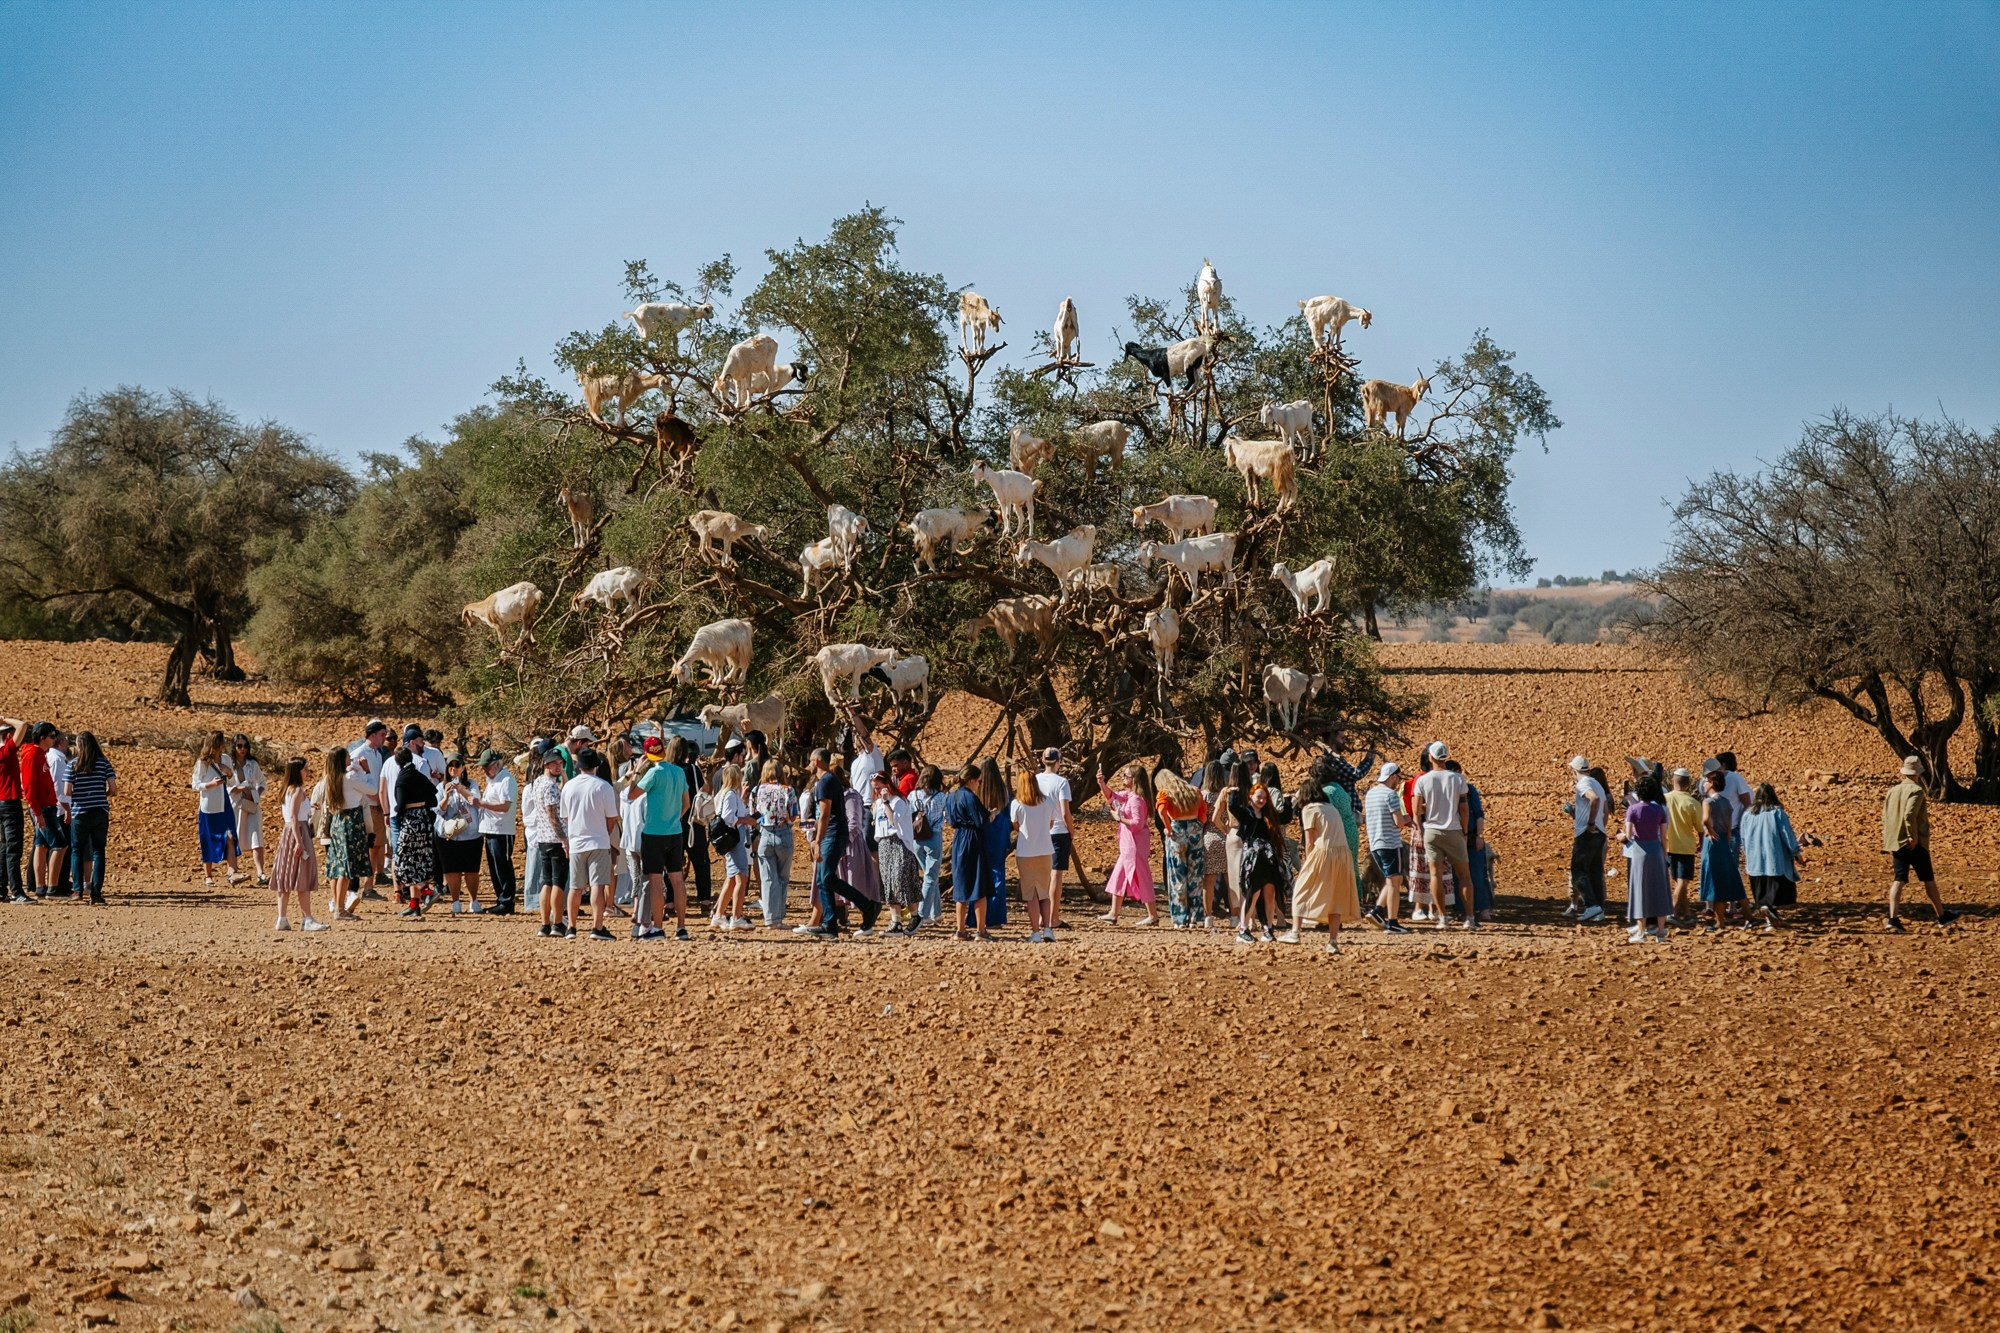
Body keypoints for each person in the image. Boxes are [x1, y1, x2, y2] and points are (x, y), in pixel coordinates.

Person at [1882, 755, 1957, 933]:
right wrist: (1913, 837)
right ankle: (1942, 916)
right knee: (1928, 879)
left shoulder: (1892, 791)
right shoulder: (1916, 790)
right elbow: (1910, 815)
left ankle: (1893, 919)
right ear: (1918, 772)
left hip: (1895, 841)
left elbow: (1886, 816)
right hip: (1914, 843)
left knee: (1898, 879)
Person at [1286, 789, 1361, 952]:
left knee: (1300, 889)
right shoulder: (1330, 807)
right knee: (1336, 898)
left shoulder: (1309, 809)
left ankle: (1295, 932)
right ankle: (1333, 941)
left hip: (1323, 852)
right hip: (1342, 853)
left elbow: (1309, 841)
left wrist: (1307, 863)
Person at [1411, 742, 1476, 931]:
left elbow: (1416, 809)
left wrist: (1422, 828)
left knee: (1435, 875)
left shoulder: (1422, 781)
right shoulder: (1458, 779)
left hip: (1432, 831)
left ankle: (1442, 918)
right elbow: (1463, 808)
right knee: (1464, 876)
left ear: (1430, 757)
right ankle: (1470, 918)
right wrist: (1464, 830)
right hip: (1454, 829)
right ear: (1445, 757)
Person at [633, 736, 692, 941]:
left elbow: (632, 795)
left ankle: (657, 927)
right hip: (675, 832)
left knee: (656, 881)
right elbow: (686, 803)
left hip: (654, 833)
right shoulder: (678, 771)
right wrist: (675, 818)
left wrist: (637, 770)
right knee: (677, 879)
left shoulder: (653, 773)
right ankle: (682, 927)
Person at [560, 749, 621, 940]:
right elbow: (611, 818)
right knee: (597, 885)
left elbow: (566, 817)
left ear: (579, 767)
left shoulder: (568, 787)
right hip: (598, 840)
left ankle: (571, 926)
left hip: (577, 841)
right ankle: (597, 926)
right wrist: (604, 831)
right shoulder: (603, 787)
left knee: (575, 887)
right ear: (596, 766)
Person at [266, 756, 326, 932]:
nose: (308, 772)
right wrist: (299, 842)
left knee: (285, 875)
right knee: (302, 875)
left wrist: (310, 807)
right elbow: (293, 815)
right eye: (305, 769)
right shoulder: (298, 791)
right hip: (297, 832)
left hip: (289, 833)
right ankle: (307, 918)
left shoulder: (288, 790)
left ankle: (282, 918)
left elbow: (293, 813)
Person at [1096, 762, 1159, 926]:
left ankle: (1152, 915)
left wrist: (1119, 818)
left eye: (1126, 776)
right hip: (1128, 845)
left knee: (1142, 877)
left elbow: (1137, 823)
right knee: (1119, 876)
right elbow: (1112, 796)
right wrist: (1102, 784)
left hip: (1134, 845)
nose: (1123, 778)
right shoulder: (1130, 796)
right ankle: (1113, 913)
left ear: (1135, 779)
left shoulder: (1136, 800)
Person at [1229, 778, 1288, 943]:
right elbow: (1233, 807)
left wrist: (1289, 801)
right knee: (1252, 893)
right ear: (1251, 797)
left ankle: (1268, 928)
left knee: (1270, 892)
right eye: (1258, 797)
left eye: (1264, 797)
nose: (1261, 800)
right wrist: (1233, 793)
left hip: (1268, 858)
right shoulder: (1246, 812)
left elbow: (1286, 817)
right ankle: (1243, 929)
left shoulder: (1269, 814)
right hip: (1253, 859)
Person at [1741, 782, 1804, 932]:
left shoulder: (1747, 814)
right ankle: (1770, 915)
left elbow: (1743, 838)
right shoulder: (1777, 813)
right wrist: (1796, 852)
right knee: (1776, 892)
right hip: (1774, 860)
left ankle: (1769, 919)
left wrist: (1747, 854)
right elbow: (1787, 835)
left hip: (1755, 861)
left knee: (1762, 891)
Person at [63, 732, 115, 905]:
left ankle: (78, 890)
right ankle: (96, 893)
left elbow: (66, 791)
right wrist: (102, 794)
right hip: (100, 811)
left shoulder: (73, 765)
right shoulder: (103, 763)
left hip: (80, 812)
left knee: (77, 850)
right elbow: (114, 788)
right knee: (99, 851)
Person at [1361, 761, 1412, 934]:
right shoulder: (1391, 795)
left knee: (1392, 881)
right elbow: (1398, 822)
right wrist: (1408, 819)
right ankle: (1392, 922)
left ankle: (1377, 911)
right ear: (1393, 776)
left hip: (1375, 843)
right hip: (1390, 843)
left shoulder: (1370, 794)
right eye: (1398, 777)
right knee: (1395, 883)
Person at [1009, 766, 1059, 941]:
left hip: (1026, 852)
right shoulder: (1047, 802)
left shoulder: (1017, 804)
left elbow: (1015, 825)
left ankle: (1035, 932)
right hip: (1045, 850)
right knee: (1044, 892)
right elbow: (1051, 824)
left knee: (1031, 895)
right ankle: (1048, 929)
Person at [870, 769, 923, 935]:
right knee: (889, 883)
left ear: (887, 785)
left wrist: (886, 803)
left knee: (901, 880)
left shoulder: (898, 801)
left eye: (879, 787)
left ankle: (915, 916)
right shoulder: (877, 803)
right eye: (874, 788)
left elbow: (893, 821)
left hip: (899, 843)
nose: (877, 791)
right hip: (884, 843)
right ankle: (896, 922)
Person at [1154, 766, 1208, 928]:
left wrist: (1168, 829)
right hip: (1194, 830)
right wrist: (1198, 825)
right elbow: (1204, 815)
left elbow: (1162, 809)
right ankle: (1194, 917)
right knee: (1195, 875)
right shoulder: (1193, 790)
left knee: (1177, 876)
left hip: (1177, 831)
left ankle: (1180, 918)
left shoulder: (1165, 793)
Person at [318, 745, 368, 921]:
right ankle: (340, 909)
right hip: (351, 823)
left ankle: (336, 904)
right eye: (348, 756)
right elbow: (372, 790)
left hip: (337, 823)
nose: (350, 758)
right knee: (346, 869)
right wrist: (365, 772)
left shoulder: (330, 779)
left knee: (336, 866)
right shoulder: (350, 777)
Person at [1621, 776, 1673, 943]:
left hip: (1639, 852)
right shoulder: (1660, 810)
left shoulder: (1633, 810)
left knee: (1640, 889)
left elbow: (1628, 835)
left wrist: (1619, 836)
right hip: (1656, 851)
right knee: (1660, 889)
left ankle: (1641, 932)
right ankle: (1661, 932)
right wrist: (1664, 855)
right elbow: (1664, 836)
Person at [942, 762, 990, 941]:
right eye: (979, 781)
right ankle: (981, 930)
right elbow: (980, 820)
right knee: (979, 884)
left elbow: (952, 821)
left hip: (959, 839)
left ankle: (960, 930)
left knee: (961, 884)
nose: (979, 784)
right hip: (973, 839)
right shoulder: (970, 797)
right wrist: (990, 815)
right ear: (971, 780)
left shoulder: (950, 797)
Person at [392, 743, 439, 918]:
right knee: (417, 861)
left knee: (402, 862)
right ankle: (414, 905)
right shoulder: (418, 775)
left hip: (410, 822)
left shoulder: (403, 778)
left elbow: (401, 802)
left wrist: (398, 814)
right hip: (423, 820)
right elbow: (433, 793)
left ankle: (427, 891)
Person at [526, 752, 570, 937]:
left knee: (547, 881)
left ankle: (545, 923)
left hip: (542, 837)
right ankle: (557, 923)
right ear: (546, 765)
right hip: (554, 839)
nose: (558, 766)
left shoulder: (538, 782)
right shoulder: (550, 786)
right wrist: (563, 839)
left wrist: (563, 776)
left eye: (560, 763)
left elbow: (562, 790)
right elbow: (553, 814)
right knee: (558, 882)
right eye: (554, 763)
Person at [1698, 767, 1746, 929]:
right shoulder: (1725, 801)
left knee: (1714, 880)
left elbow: (1705, 819)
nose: (1704, 784)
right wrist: (1727, 835)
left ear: (1712, 783)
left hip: (1712, 843)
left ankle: (1720, 921)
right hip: (1725, 840)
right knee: (1730, 877)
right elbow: (1730, 823)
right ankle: (1746, 915)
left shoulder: (1708, 801)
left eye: (1706, 781)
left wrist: (1709, 830)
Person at [436, 753, 485, 913]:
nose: (453, 768)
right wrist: (447, 795)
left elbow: (475, 801)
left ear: (463, 768)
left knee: (471, 869)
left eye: (457, 765)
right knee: (452, 869)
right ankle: (455, 901)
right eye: (450, 765)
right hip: (449, 835)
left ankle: (474, 901)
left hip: (471, 833)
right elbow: (439, 810)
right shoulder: (440, 787)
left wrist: (461, 789)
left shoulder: (471, 784)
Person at [191, 730, 240, 888]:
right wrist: (210, 785)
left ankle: (232, 873)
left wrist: (229, 773)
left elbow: (233, 784)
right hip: (209, 807)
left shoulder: (225, 759)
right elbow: (195, 785)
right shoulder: (202, 763)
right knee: (208, 839)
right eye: (221, 742)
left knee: (230, 836)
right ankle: (208, 875)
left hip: (224, 804)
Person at [472, 750, 519, 915]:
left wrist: (483, 804)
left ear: (497, 764)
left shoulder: (506, 780)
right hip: (490, 829)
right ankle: (501, 899)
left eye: (487, 767)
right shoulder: (493, 780)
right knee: (494, 867)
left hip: (502, 830)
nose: (485, 770)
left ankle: (507, 901)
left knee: (503, 865)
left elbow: (505, 806)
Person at [753, 758, 798, 927]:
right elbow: (793, 815)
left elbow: (754, 813)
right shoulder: (788, 790)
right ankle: (778, 917)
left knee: (767, 878)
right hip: (783, 834)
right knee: (782, 878)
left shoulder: (757, 790)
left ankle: (770, 917)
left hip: (764, 834)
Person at [712, 763, 756, 930]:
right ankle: (736, 916)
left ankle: (718, 915)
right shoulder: (730, 795)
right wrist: (747, 821)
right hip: (735, 840)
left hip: (733, 840)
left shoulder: (725, 794)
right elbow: (729, 818)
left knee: (731, 879)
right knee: (741, 878)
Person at [347, 720, 390, 890]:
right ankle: (360, 886)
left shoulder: (378, 754)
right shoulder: (358, 753)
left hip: (377, 805)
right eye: (381, 735)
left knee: (377, 846)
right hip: (366, 805)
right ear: (372, 735)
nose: (384, 739)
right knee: (367, 846)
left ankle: (369, 885)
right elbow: (358, 781)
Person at [1036, 748, 1077, 930]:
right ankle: (1053, 917)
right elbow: (1064, 811)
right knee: (1055, 875)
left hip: (1039, 830)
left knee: (1041, 875)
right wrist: (1071, 829)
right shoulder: (1062, 782)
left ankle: (1040, 917)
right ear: (1058, 761)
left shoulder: (1035, 780)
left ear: (1044, 761)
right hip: (1059, 831)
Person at [840, 767, 883, 935]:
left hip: (850, 843)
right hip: (841, 842)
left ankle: (868, 907)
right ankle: (839, 917)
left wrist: (845, 842)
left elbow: (854, 822)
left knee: (853, 879)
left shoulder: (851, 795)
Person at [1565, 754, 1608, 923]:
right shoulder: (1597, 783)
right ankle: (1599, 908)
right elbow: (1603, 806)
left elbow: (1594, 799)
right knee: (1595, 871)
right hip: (1600, 832)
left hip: (1587, 833)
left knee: (1578, 870)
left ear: (1573, 771)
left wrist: (1590, 823)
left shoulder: (1583, 784)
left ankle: (1591, 905)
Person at [227, 734, 269, 887]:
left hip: (251, 804)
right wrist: (238, 789)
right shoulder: (228, 764)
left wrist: (255, 792)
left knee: (256, 836)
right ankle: (233, 871)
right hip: (235, 805)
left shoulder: (252, 764)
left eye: (245, 746)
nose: (243, 749)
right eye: (239, 746)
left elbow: (263, 782)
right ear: (234, 747)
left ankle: (260, 872)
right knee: (233, 837)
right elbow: (224, 785)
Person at [976, 759, 1011, 929]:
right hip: (1000, 833)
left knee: (980, 875)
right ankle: (995, 917)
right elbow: (1008, 811)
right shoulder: (1002, 789)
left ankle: (977, 917)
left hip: (983, 832)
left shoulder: (979, 789)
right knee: (998, 875)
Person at [1664, 768, 1701, 922]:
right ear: (1689, 784)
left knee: (1679, 881)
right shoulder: (1692, 802)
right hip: (1685, 847)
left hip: (1667, 845)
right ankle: (1672, 911)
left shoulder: (1664, 798)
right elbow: (1701, 827)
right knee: (1682, 880)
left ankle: (1684, 912)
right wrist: (1701, 841)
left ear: (1672, 781)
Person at [912, 765, 948, 926]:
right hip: (933, 836)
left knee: (928, 875)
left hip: (916, 839)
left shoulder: (913, 795)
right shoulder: (942, 797)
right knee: (930, 877)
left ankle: (936, 912)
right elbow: (946, 817)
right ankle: (922, 914)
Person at [42, 729, 73, 896]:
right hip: (59, 809)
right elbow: (58, 787)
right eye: (66, 741)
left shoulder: (53, 757)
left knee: (44, 846)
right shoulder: (57, 759)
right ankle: (59, 885)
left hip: (56, 807)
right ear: (61, 743)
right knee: (62, 847)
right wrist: (65, 808)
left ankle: (43, 884)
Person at [0, 718, 25, 902]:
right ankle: (17, 891)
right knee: (14, 849)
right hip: (10, 802)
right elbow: (23, 725)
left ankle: (1, 889)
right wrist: (4, 718)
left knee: (3, 848)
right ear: (8, 736)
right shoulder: (6, 751)